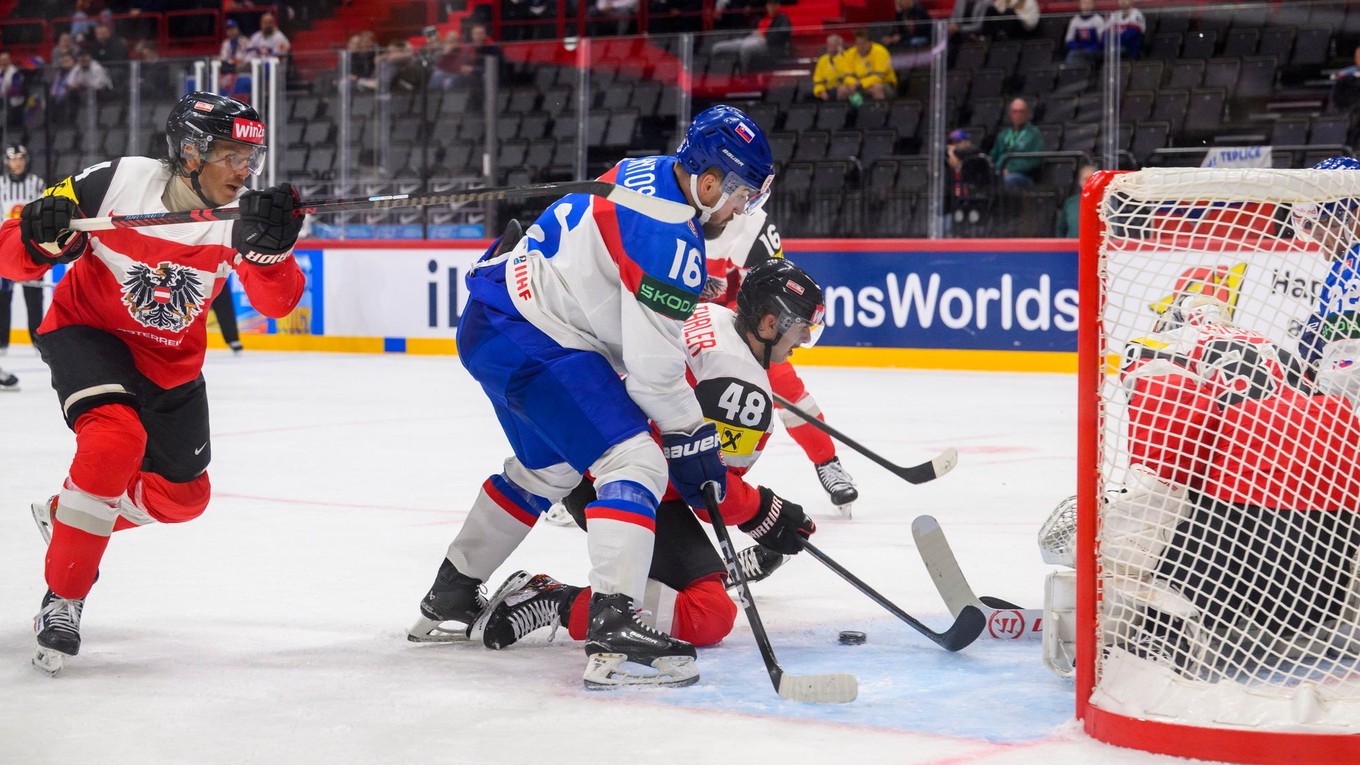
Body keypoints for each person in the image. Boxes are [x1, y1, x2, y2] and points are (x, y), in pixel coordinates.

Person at [406, 105, 774, 690]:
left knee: (545, 469)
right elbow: (653, 379)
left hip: (492, 318)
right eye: (741, 197)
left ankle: (449, 594)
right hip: (536, 336)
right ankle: (614, 625)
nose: (740, 211)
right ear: (709, 184)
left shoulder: (645, 170)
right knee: (635, 461)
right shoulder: (673, 239)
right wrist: (693, 431)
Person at [0, 91, 306, 675]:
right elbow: (10, 256)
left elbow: (279, 305)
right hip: (90, 333)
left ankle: (70, 515)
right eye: (232, 156)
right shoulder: (113, 183)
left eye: (252, 158)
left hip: (171, 364)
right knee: (113, 441)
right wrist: (36, 236)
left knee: (184, 498)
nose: (246, 172)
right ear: (190, 152)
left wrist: (272, 254)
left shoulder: (245, 218)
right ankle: (64, 597)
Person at [473, 259, 823, 653]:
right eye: (801, 328)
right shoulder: (740, 388)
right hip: (627, 482)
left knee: (695, 584)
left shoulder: (713, 315)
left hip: (591, 449)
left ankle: (715, 572)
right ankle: (555, 600)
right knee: (709, 614)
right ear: (769, 323)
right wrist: (766, 512)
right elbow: (706, 491)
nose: (805, 338)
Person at [1107, 289, 1360, 671]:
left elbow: (1172, 425)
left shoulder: (1161, 343)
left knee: (1182, 524)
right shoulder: (1274, 345)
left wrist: (1140, 495)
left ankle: (1163, 633)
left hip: (1259, 475)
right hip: (1341, 469)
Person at [702, 208, 860, 514]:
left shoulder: (752, 223)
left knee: (783, 384)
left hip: (739, 318)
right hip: (683, 319)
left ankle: (827, 461)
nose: (743, 200)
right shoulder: (673, 211)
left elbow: (767, 294)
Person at [1293, 157, 1360, 378]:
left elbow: (1347, 377)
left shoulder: (1349, 265)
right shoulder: (1342, 266)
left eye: (1318, 222)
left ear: (1354, 216)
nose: (1314, 235)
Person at [0, 144, 46, 357]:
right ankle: (2, 343)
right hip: (4, 249)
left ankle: (37, 342)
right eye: (13, 158)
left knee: (34, 298)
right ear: (6, 161)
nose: (17, 162)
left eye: (20, 158)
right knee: (3, 298)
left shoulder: (37, 184)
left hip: (30, 248)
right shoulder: (0, 185)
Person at [709, 0, 792, 73]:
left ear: (778, 6)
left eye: (773, 5)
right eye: (769, 5)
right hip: (750, 39)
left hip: (765, 43)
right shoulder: (761, 17)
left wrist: (765, 35)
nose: (770, 7)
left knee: (746, 48)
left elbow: (783, 33)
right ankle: (715, 75)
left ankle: (743, 75)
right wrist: (752, 33)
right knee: (718, 47)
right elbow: (749, 30)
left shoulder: (782, 18)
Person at [990, 97, 1043, 189]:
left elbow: (1036, 160)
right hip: (1000, 172)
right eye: (1015, 111)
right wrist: (997, 169)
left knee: (1008, 179)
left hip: (1023, 176)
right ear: (1010, 114)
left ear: (1026, 113)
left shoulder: (1034, 134)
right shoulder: (1003, 135)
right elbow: (993, 156)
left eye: (1021, 111)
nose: (1018, 115)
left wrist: (1010, 169)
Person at [845, 29, 897, 103]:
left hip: (885, 84)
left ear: (870, 43)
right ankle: (854, 111)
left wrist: (859, 84)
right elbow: (847, 75)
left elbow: (878, 77)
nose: (860, 47)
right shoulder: (850, 53)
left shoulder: (880, 52)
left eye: (863, 44)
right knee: (842, 89)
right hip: (858, 84)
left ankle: (879, 111)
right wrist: (853, 83)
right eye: (858, 44)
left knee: (876, 88)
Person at [1054, 164, 1096, 238]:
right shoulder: (1070, 203)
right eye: (1085, 179)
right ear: (1080, 181)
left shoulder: (1106, 204)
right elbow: (1060, 229)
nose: (1089, 181)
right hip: (1071, 247)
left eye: (1092, 178)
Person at [812, 34, 857, 102]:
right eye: (828, 44)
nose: (829, 47)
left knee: (843, 90)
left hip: (846, 88)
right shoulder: (822, 60)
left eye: (832, 45)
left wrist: (839, 56)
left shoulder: (847, 57)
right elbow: (818, 81)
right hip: (828, 89)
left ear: (839, 46)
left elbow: (844, 74)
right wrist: (821, 91)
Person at [219, 19, 250, 95]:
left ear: (238, 29)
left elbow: (240, 59)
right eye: (228, 29)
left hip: (243, 70)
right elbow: (223, 60)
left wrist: (231, 62)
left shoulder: (244, 41)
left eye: (233, 28)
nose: (231, 31)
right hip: (230, 70)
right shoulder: (225, 43)